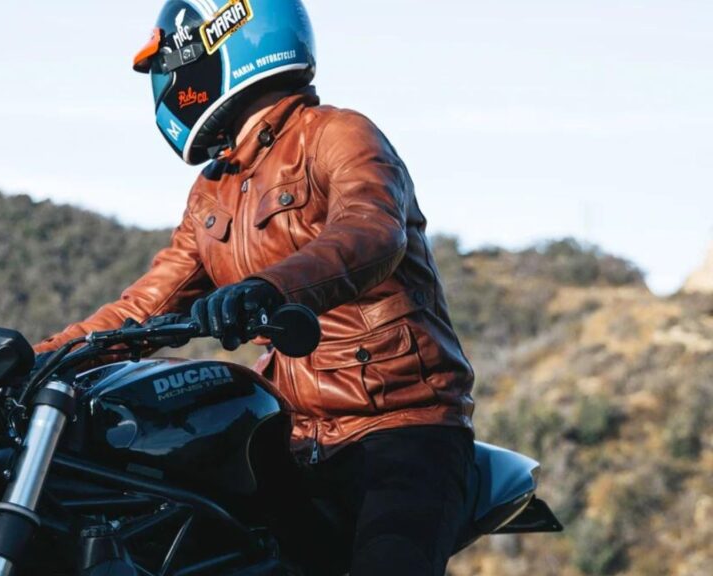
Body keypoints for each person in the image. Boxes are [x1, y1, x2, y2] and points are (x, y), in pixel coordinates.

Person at [33, 1, 475, 574]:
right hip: (286, 440)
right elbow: (143, 307)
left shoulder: (337, 134)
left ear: (226, 44)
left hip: (399, 429)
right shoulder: (213, 190)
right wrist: (33, 362)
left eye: (172, 61)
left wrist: (269, 288)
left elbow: (370, 230)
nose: (168, 80)